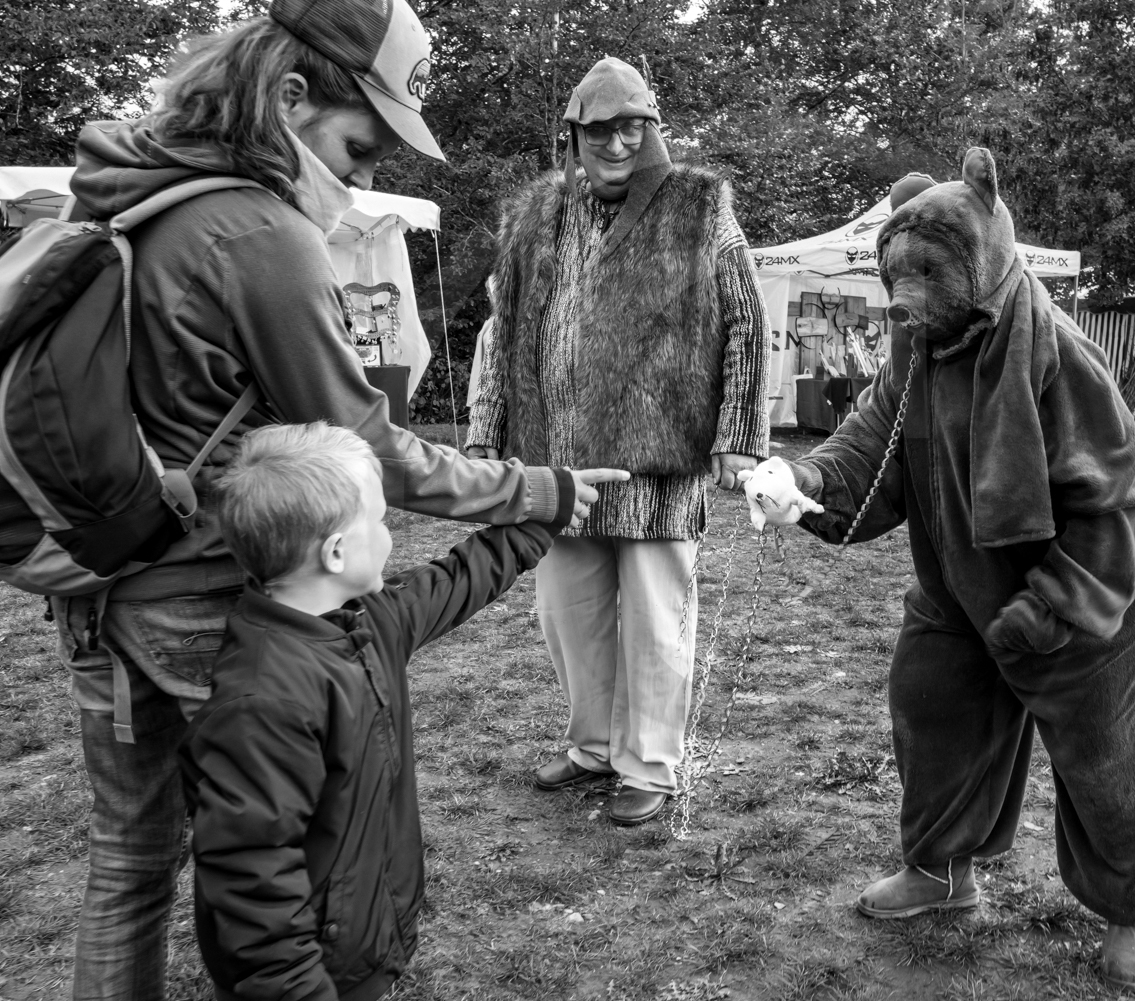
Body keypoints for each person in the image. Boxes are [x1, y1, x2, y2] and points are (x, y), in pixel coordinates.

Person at [56, 4, 625, 997]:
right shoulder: (257, 230)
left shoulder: (125, 195)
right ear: (288, 99)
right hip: (204, 596)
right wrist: (536, 488)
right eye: (361, 144)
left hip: (101, 582)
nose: (367, 175)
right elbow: (376, 451)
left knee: (129, 863)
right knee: (291, 845)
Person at [741, 153, 1135, 994]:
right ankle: (943, 871)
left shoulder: (1060, 357)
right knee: (931, 704)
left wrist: (1054, 607)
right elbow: (874, 437)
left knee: (1100, 756)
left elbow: (1114, 505)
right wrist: (807, 482)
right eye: (897, 274)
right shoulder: (921, 342)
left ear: (981, 252)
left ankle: (1133, 907)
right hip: (959, 583)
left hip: (1082, 591)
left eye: (928, 272)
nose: (907, 293)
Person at [465, 58, 772, 826]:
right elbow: (502, 335)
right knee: (566, 613)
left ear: (653, 126)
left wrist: (738, 434)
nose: (616, 141)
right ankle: (594, 745)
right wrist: (484, 436)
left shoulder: (700, 206)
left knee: (654, 617)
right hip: (558, 459)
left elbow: (745, 320)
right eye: (599, 128)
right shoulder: (536, 213)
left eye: (630, 124)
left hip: (657, 459)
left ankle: (650, 765)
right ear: (575, 134)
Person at [180, 424, 575, 1000]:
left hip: (364, 937)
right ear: (337, 552)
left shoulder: (365, 623)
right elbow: (250, 882)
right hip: (313, 975)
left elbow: (451, 584)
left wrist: (546, 513)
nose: (389, 534)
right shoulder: (262, 704)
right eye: (381, 520)